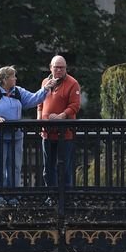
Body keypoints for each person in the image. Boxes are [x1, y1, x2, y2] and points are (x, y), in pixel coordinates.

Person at [0, 66, 48, 206]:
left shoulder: (18, 92)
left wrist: (46, 89)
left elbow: (33, 99)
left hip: (16, 135)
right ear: (4, 79)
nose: (15, 78)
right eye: (13, 76)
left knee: (14, 167)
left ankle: (13, 197)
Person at [37, 55, 82, 190]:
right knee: (48, 168)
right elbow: (39, 104)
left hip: (65, 133)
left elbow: (75, 105)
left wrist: (62, 116)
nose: (59, 70)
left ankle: (66, 197)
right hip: (47, 132)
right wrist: (39, 121)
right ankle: (51, 195)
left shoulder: (72, 83)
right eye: (56, 67)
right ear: (50, 68)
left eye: (62, 67)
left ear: (65, 68)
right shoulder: (45, 82)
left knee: (64, 167)